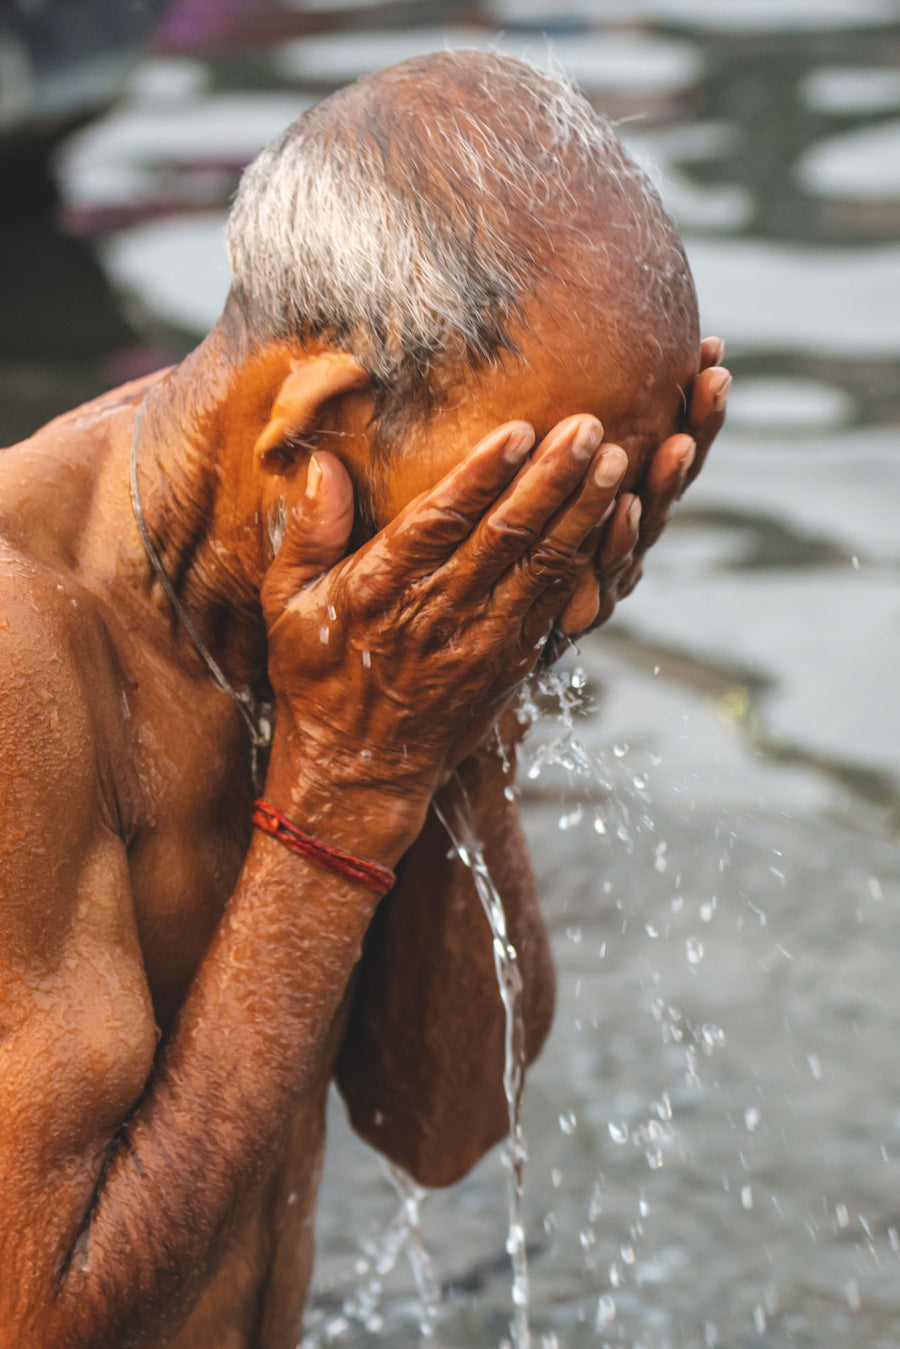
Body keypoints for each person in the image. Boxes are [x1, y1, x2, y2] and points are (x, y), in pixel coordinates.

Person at [0, 50, 730, 1349]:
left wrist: (469, 701)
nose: (548, 591)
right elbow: (44, 1322)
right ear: (317, 423)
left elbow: (443, 1117)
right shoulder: (22, 653)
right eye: (521, 522)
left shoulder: (361, 643)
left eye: (581, 525)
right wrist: (349, 787)